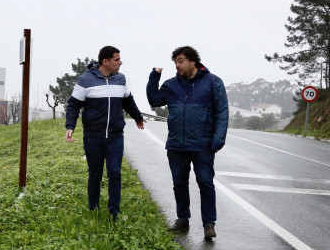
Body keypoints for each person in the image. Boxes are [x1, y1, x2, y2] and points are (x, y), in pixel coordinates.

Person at [146, 46, 228, 238]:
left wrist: (218, 139)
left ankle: (209, 224)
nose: (177, 65)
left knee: (205, 182)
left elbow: (222, 112)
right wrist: (154, 77)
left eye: (181, 61)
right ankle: (182, 220)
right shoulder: (171, 84)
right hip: (176, 144)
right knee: (179, 183)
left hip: (203, 144)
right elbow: (154, 100)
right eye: (175, 62)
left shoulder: (213, 82)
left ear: (193, 61)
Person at [65, 46, 145, 219]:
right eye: (117, 59)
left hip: (116, 136)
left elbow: (128, 101)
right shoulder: (85, 80)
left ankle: (114, 211)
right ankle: (93, 207)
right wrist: (70, 126)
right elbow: (73, 105)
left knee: (115, 172)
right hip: (93, 136)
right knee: (95, 174)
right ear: (105, 61)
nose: (120, 62)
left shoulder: (121, 79)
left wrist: (137, 117)